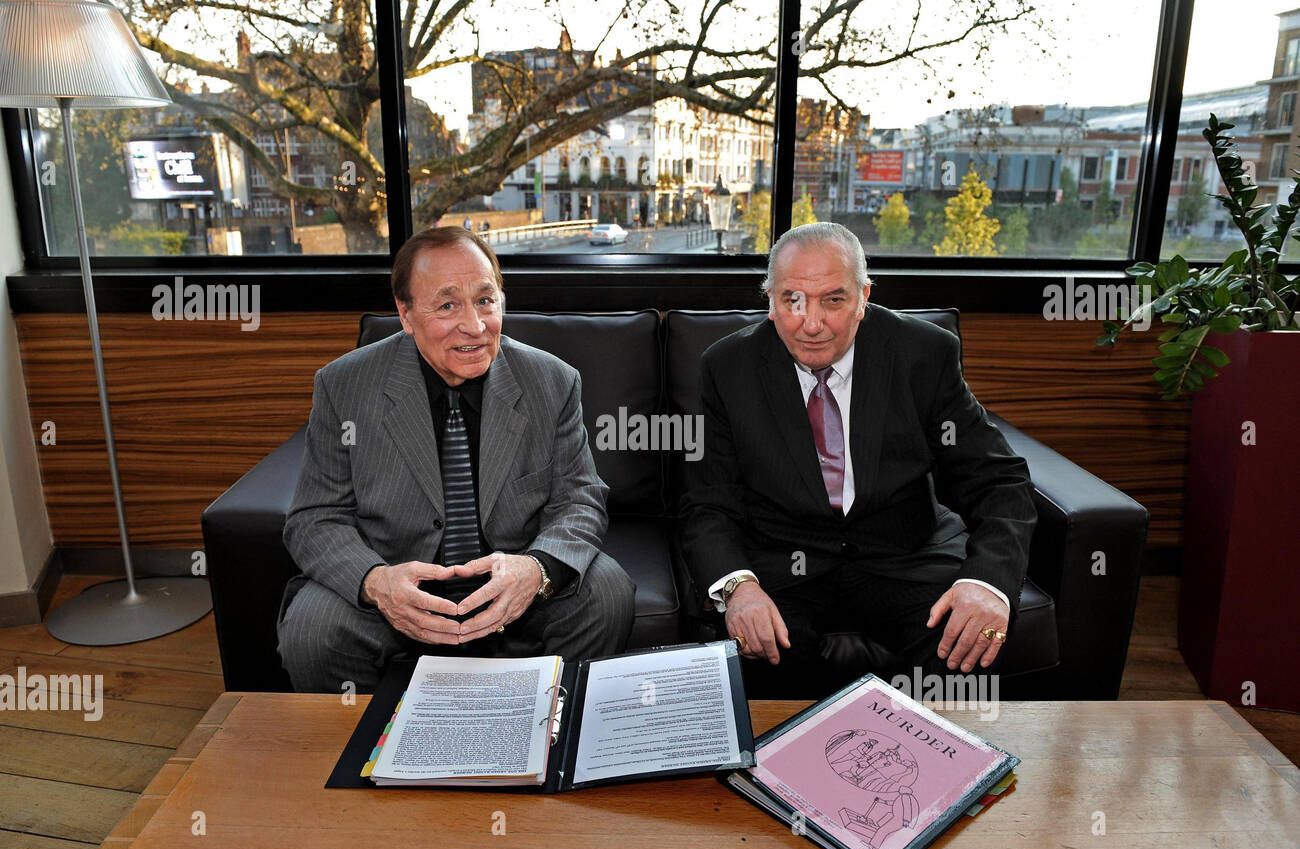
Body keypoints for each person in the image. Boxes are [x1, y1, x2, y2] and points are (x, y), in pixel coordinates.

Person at [679, 222, 1035, 697]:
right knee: (756, 663)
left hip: (906, 555)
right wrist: (738, 589)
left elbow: (998, 480)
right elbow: (708, 501)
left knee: (964, 647)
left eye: (833, 299)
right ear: (769, 300)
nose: (811, 323)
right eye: (792, 300)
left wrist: (988, 582)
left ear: (864, 297)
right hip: (784, 562)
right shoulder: (728, 367)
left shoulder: (922, 353)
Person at [278, 226, 635, 692]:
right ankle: (365, 756)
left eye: (486, 300)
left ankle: (550, 736)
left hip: (514, 592)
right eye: (447, 305)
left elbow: (580, 499)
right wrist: (376, 582)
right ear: (405, 314)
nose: (475, 324)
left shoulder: (552, 381)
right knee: (312, 630)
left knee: (606, 592)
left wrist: (536, 569)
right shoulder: (345, 386)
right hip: (401, 589)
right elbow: (315, 518)